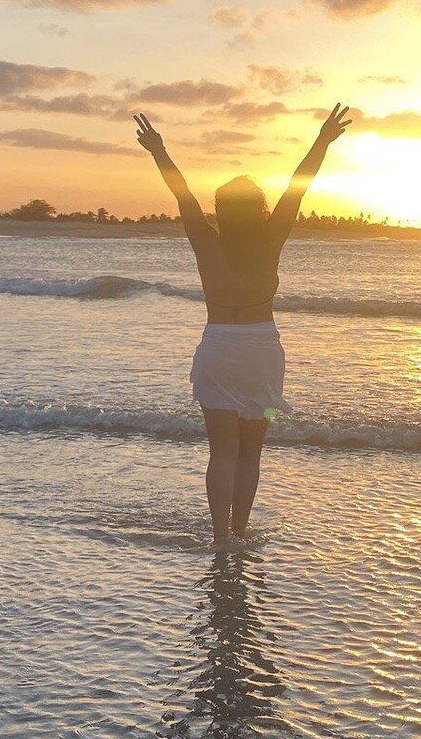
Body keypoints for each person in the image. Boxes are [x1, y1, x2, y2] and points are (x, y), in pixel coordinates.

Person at [134, 104, 351, 542]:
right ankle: (240, 532)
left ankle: (220, 540)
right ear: (260, 211)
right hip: (262, 358)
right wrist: (321, 142)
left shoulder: (205, 241)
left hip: (218, 353)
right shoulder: (271, 240)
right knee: (252, 452)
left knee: (222, 453)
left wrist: (159, 151)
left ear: (221, 210)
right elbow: (297, 189)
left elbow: (183, 196)